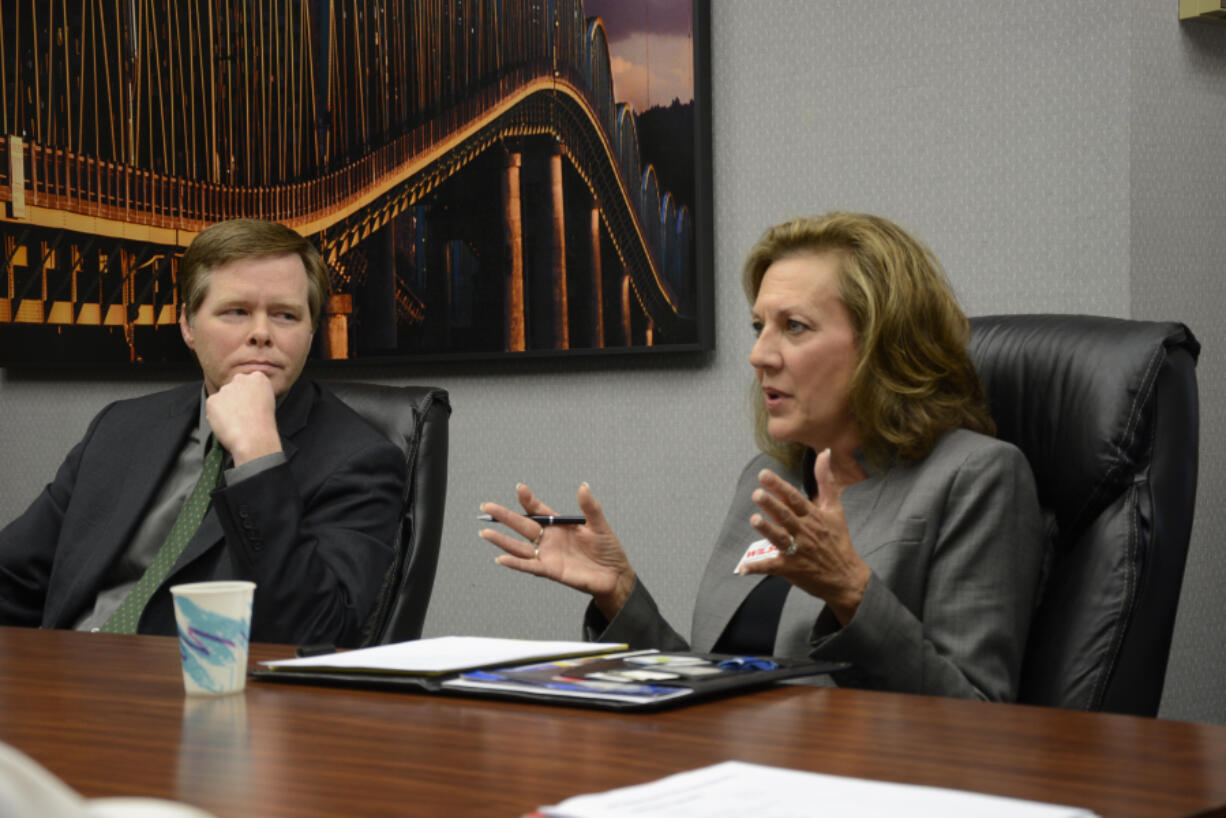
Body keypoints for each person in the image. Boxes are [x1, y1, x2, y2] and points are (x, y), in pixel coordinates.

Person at [480, 212, 1044, 701]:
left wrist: (851, 592)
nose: (757, 355)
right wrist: (619, 594)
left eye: (793, 327)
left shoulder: (975, 477)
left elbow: (977, 716)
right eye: (759, 327)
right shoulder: (771, 476)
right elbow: (716, 687)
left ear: (883, 344)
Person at [0, 219, 406, 647]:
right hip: (61, 681)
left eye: (286, 315)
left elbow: (315, 636)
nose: (261, 333)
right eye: (236, 312)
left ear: (309, 333)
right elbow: (11, 577)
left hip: (199, 696)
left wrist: (259, 459)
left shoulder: (360, 462)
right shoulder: (121, 428)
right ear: (188, 327)